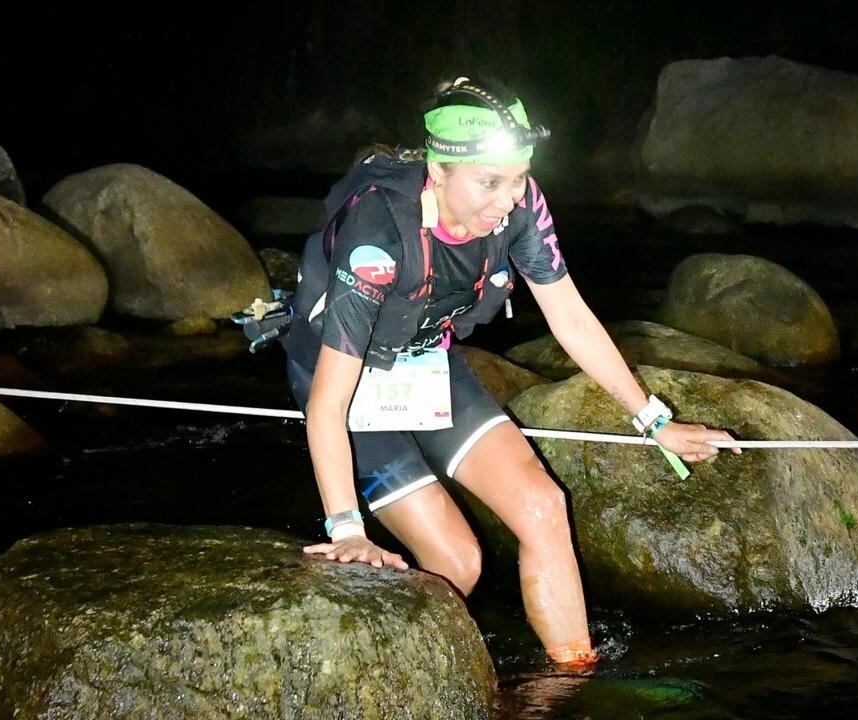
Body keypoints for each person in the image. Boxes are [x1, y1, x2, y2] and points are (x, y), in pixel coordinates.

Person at [282, 77, 740, 670]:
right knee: (457, 562)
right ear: (438, 171)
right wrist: (346, 527)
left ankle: (572, 681)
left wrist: (654, 422)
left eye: (519, 175)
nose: (508, 199)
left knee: (544, 507)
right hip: (346, 375)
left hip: (425, 358)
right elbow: (328, 402)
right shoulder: (379, 233)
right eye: (490, 181)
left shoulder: (520, 209)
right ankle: (389, 681)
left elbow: (570, 318)